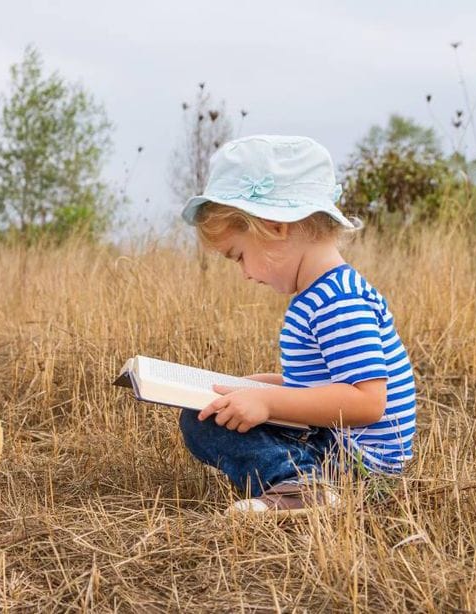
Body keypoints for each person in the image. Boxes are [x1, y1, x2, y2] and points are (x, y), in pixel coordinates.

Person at [178, 135, 416, 515]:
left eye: (239, 256)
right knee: (204, 414)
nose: (244, 274)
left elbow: (368, 401)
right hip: (335, 442)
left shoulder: (338, 300)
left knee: (202, 424)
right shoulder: (319, 295)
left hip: (359, 465)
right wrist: (257, 385)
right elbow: (323, 386)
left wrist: (269, 401)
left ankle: (303, 489)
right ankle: (302, 484)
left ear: (274, 228)